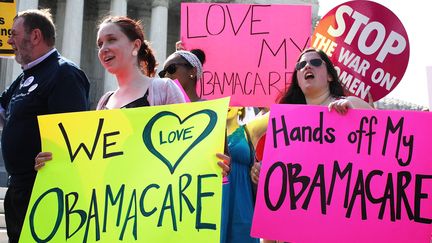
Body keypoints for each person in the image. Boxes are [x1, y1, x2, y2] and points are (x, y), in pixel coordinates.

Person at [35, 16, 230, 174]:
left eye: (111, 40)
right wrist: (56, 162)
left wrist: (210, 166)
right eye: (100, 43)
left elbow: (187, 148)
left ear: (136, 46)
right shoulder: (105, 101)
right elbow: (93, 163)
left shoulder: (163, 89)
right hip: (115, 208)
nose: (104, 49)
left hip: (155, 207)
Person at [250, 47, 373, 243]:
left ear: (330, 76)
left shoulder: (349, 105)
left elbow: (381, 133)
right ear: (298, 77)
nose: (307, 65)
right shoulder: (284, 120)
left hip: (338, 227)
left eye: (315, 62)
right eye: (301, 64)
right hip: (293, 229)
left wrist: (352, 108)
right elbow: (242, 136)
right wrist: (259, 170)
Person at [0, 9, 90, 242]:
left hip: (43, 191)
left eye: (14, 34)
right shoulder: (24, 77)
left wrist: (58, 157)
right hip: (19, 189)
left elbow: (73, 135)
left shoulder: (63, 73)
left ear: (36, 36)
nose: (9, 40)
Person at [220, 107, 267, 243]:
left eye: (232, 100)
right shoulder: (206, 133)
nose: (227, 104)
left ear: (240, 107)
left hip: (242, 208)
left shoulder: (249, 129)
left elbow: (284, 111)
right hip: (216, 209)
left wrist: (328, 104)